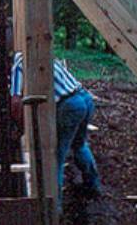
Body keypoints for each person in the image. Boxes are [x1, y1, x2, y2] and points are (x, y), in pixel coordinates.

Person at [10, 51, 102, 213]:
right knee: (79, 144)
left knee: (54, 157)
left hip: (70, 106)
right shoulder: (42, 56)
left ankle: (54, 209)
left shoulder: (18, 62)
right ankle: (93, 186)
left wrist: (20, 127)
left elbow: (16, 102)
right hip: (85, 98)